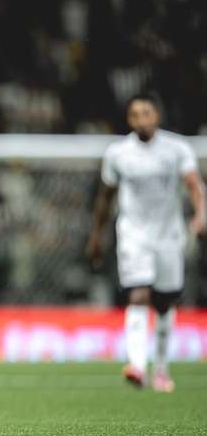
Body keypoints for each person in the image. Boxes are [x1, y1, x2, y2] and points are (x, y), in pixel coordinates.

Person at [86, 94, 205, 392]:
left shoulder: (177, 149)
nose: (141, 120)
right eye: (135, 114)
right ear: (129, 119)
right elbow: (105, 198)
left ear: (157, 115)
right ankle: (137, 365)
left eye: (147, 113)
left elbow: (194, 184)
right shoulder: (118, 153)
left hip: (168, 236)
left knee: (164, 302)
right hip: (133, 235)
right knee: (138, 295)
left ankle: (161, 369)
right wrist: (97, 235)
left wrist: (201, 215)